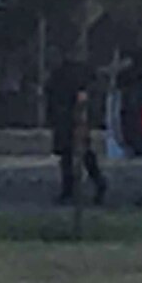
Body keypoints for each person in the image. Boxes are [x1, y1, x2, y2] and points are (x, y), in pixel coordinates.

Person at [46, 57, 107, 205]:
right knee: (68, 154)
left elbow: (83, 94)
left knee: (81, 151)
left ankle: (97, 183)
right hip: (64, 117)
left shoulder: (71, 73)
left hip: (73, 117)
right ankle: (70, 189)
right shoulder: (59, 75)